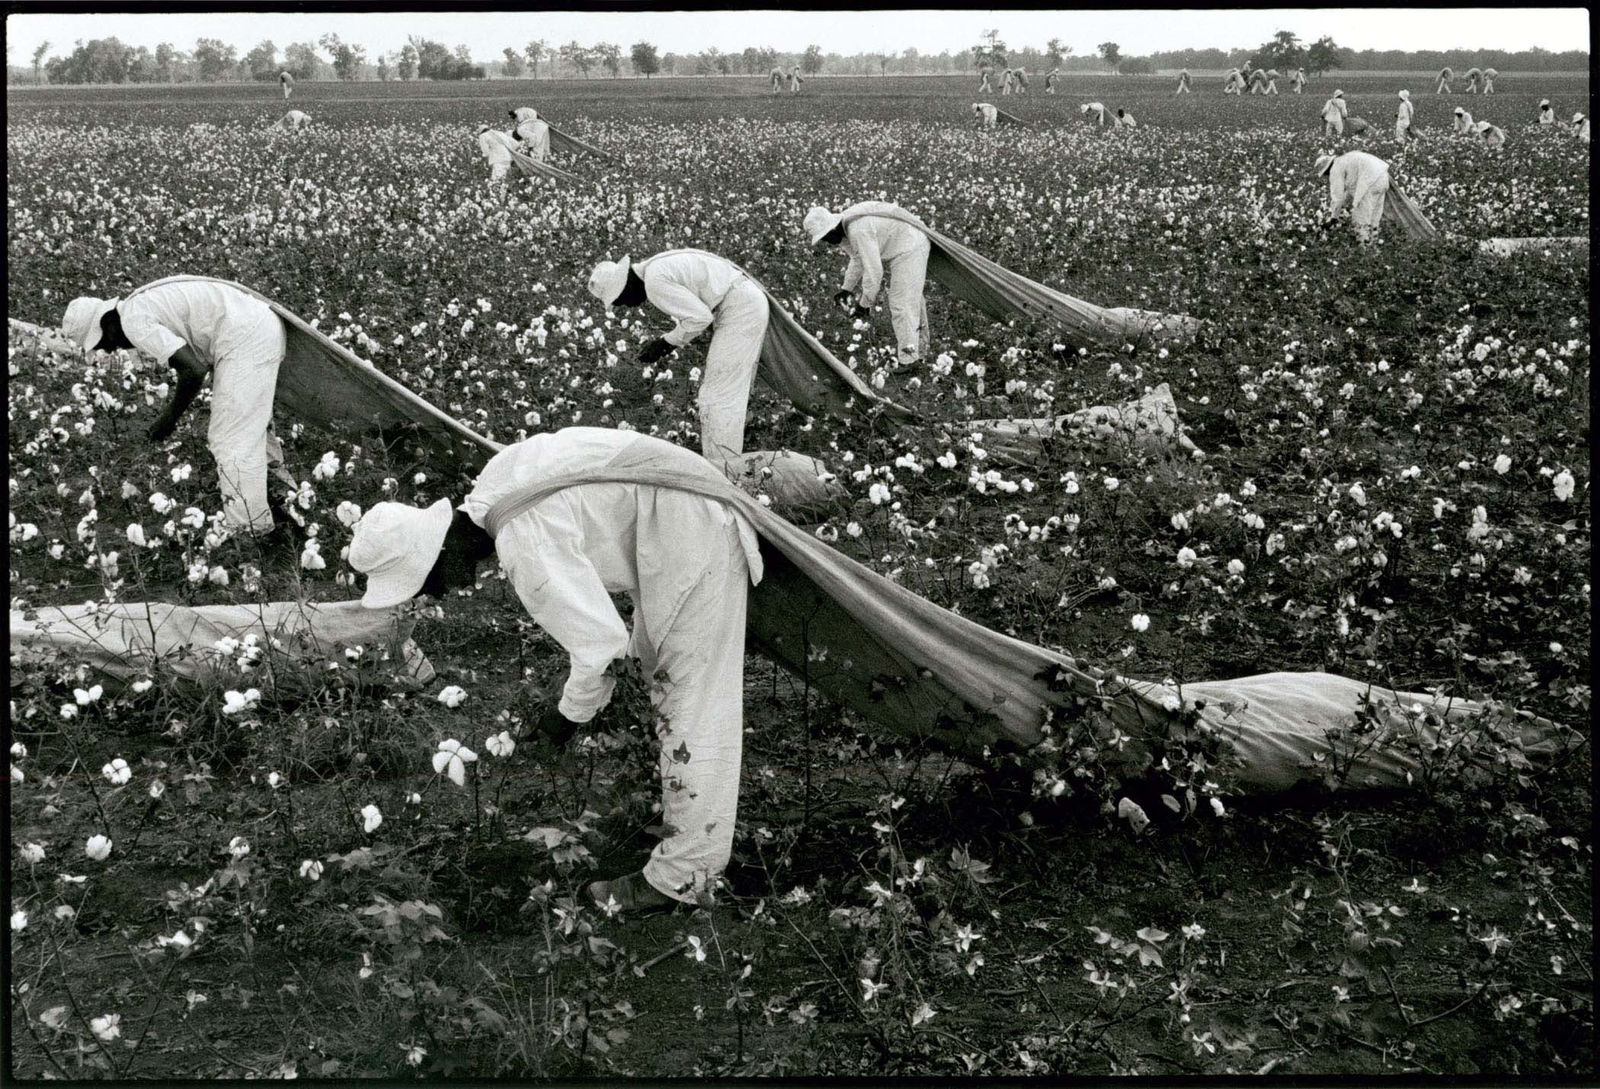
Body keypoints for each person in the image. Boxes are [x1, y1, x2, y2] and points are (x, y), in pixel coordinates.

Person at [347, 428, 765, 917]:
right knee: (663, 675)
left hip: (694, 525)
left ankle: (685, 877)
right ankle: (685, 818)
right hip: (681, 515)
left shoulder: (522, 540)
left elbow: (603, 651)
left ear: (440, 552)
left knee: (692, 702)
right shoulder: (495, 485)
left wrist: (564, 719)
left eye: (426, 581)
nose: (435, 594)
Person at [59, 280, 300, 551]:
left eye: (103, 342)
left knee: (231, 440)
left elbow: (193, 370)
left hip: (245, 338)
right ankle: (287, 506)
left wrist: (168, 419)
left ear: (107, 321)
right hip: (254, 329)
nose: (110, 350)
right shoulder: (140, 305)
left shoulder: (134, 321)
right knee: (249, 429)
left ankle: (254, 535)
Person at [587, 251, 768, 467]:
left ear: (625, 285)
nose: (627, 306)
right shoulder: (656, 266)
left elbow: (700, 318)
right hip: (742, 304)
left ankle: (724, 470)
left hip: (740, 311)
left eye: (621, 300)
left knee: (718, 396)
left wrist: (664, 344)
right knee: (728, 390)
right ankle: (728, 460)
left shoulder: (654, 282)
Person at [805, 202, 931, 370]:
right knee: (910, 299)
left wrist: (864, 304)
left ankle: (909, 360)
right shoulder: (846, 228)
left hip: (910, 246)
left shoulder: (858, 230)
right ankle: (919, 351)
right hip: (906, 243)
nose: (826, 241)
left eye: (825, 236)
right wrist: (846, 289)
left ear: (832, 228)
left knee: (902, 303)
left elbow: (874, 272)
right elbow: (858, 260)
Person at [1315, 150, 1392, 244]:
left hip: (1369, 183)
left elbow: (1337, 197)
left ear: (1326, 170)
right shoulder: (1344, 159)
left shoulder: (1335, 169)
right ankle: (1374, 245)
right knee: (1374, 217)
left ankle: (1364, 247)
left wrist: (1333, 218)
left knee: (1360, 220)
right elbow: (1347, 193)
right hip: (1383, 178)